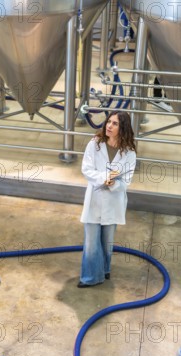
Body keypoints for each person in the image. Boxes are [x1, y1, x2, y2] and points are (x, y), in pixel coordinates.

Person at [78, 111, 137, 288]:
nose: (109, 126)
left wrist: (113, 184)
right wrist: (105, 177)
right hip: (94, 199)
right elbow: (86, 169)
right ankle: (89, 277)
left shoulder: (129, 153)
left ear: (123, 128)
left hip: (113, 201)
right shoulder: (95, 144)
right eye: (108, 122)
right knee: (91, 242)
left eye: (115, 124)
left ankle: (104, 270)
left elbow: (126, 181)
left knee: (107, 241)